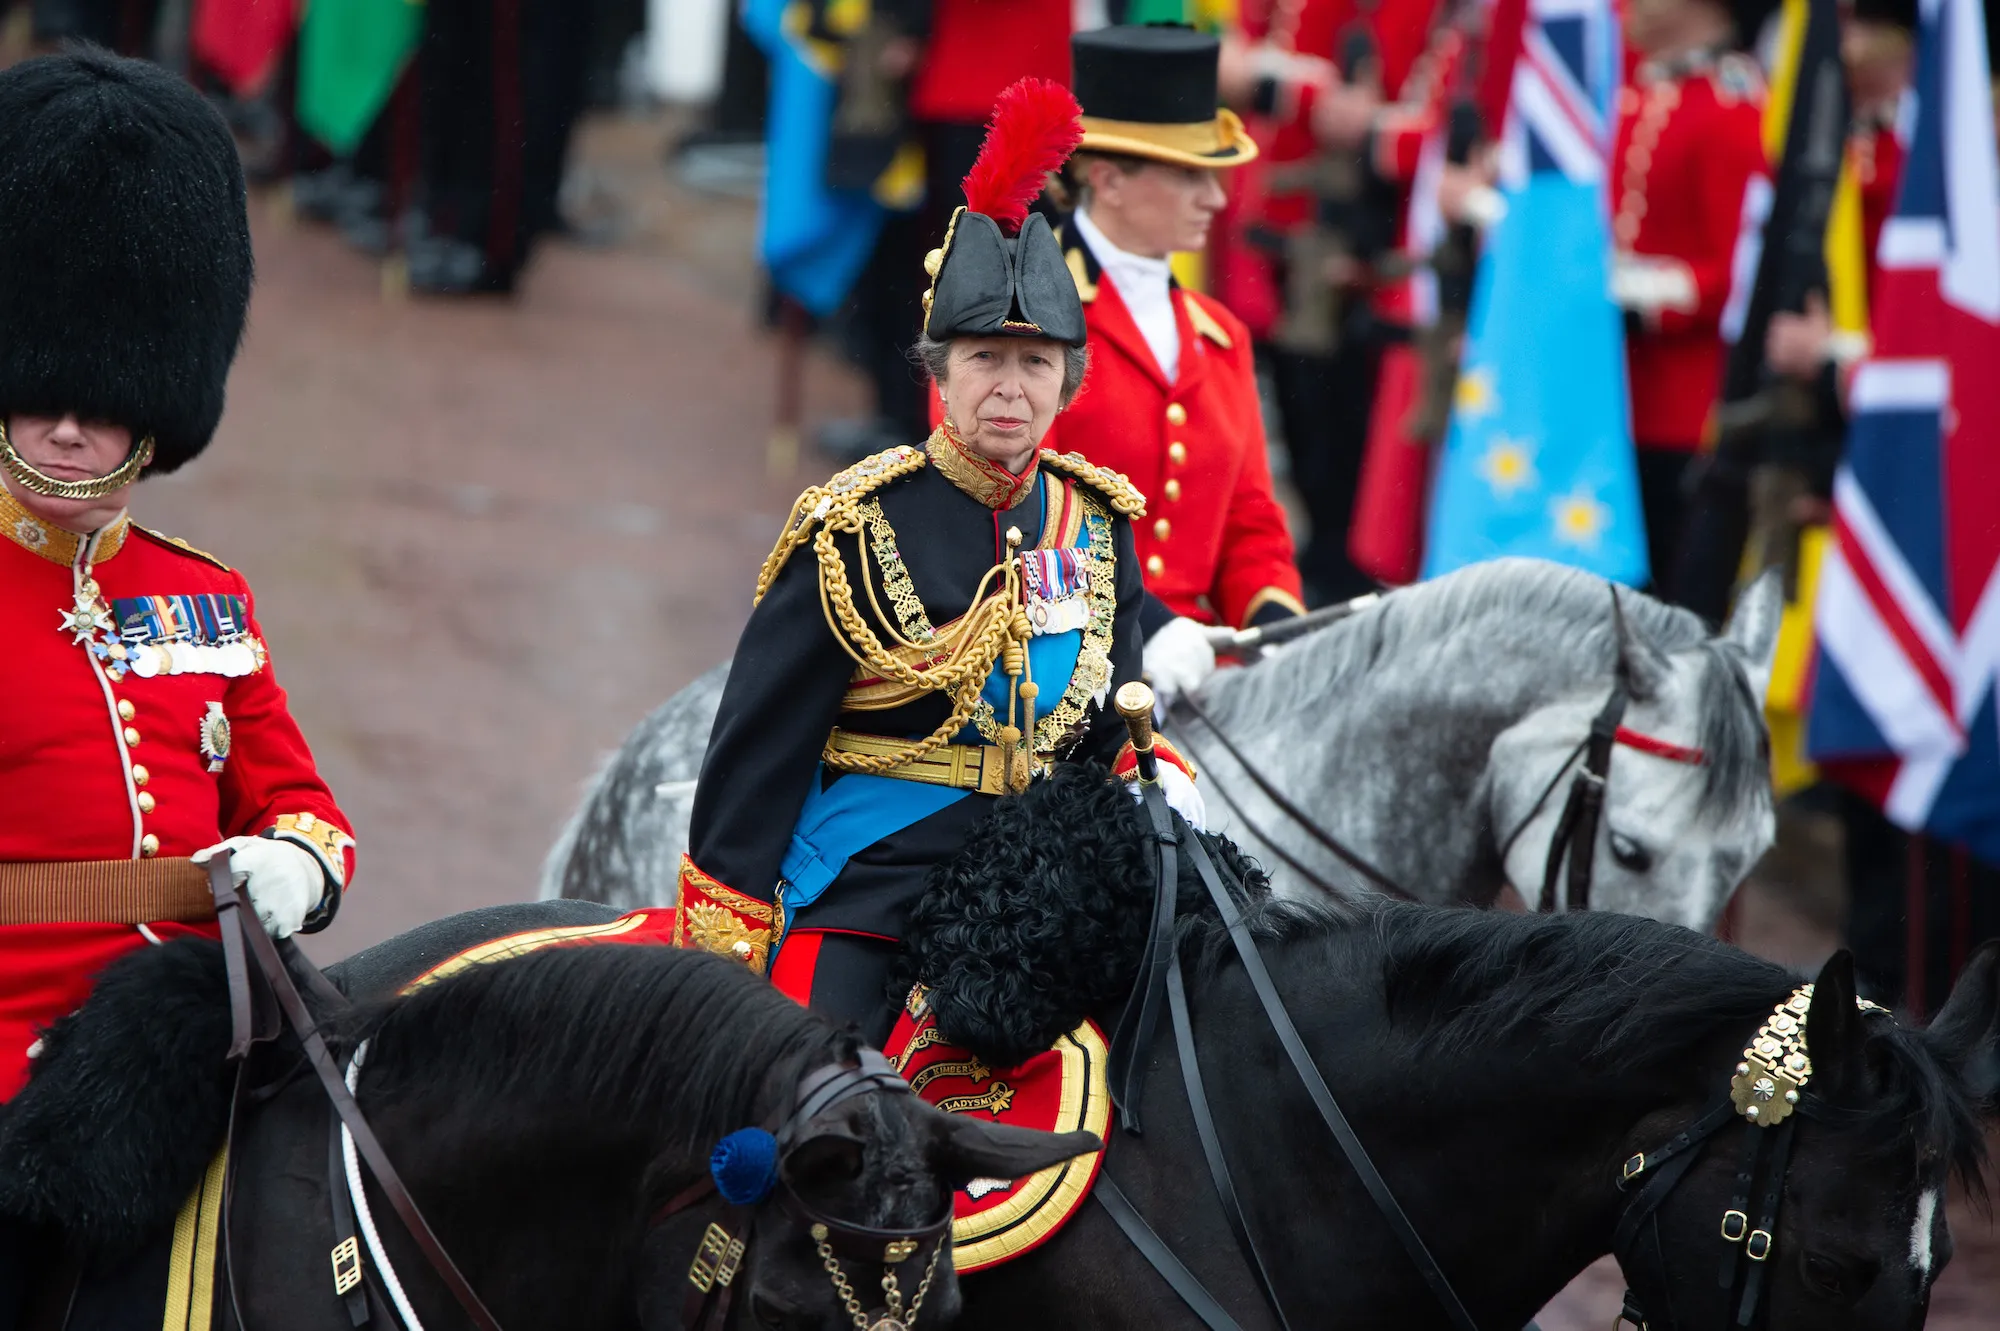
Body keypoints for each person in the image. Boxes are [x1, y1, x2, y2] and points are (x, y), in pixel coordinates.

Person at [680, 79, 1199, 1044]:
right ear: (939, 372)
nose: (1009, 390)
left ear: (1065, 384)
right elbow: (753, 764)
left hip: (1033, 913)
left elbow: (1109, 744)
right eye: (983, 362)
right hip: (867, 900)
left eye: (1035, 364)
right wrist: (722, 969)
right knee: (815, 1126)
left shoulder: (1096, 527)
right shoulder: (853, 528)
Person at [1050, 24, 1308, 706]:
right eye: (1191, 175)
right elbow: (1007, 513)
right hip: (1061, 674)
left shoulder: (1220, 333)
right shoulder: (1016, 319)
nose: (1216, 199)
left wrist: (1275, 628)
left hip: (1201, 682)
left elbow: (1252, 521)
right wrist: (1146, 624)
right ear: (1108, 178)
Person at [1608, 0, 1768, 598]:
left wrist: (1643, 291)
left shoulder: (1732, 106)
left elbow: (1738, 270)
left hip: (1684, 405)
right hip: (1618, 393)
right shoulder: (1638, 95)